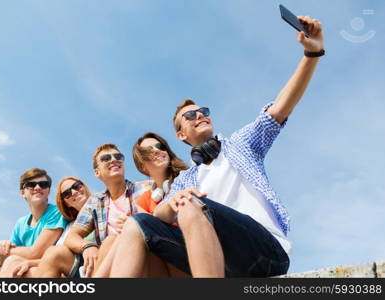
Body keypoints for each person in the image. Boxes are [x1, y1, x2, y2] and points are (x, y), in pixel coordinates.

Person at [108, 16, 324, 277]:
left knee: (190, 203)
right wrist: (173, 200)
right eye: (190, 115)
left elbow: (280, 108)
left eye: (203, 111)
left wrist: (311, 54)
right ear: (181, 135)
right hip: (220, 262)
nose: (199, 115)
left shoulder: (241, 144)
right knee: (137, 224)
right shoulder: (186, 178)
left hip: (265, 253)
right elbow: (161, 214)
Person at [35, 143, 150, 278]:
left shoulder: (146, 188)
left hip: (139, 254)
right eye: (106, 158)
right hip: (103, 259)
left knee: (111, 241)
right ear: (97, 172)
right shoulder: (95, 201)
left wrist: (136, 224)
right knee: (53, 254)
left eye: (118, 156)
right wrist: (87, 246)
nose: (114, 159)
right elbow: (72, 237)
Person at [94, 132, 188, 277]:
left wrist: (132, 225)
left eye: (160, 146)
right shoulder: (145, 199)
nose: (157, 150)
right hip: (161, 263)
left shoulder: (187, 178)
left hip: (187, 258)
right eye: (148, 151)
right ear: (142, 166)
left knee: (133, 227)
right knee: (112, 240)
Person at [0, 168, 67, 278]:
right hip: (26, 265)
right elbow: (1, 261)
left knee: (13, 262)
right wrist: (2, 246)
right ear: (22, 193)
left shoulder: (56, 213)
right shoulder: (21, 223)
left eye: (43, 184)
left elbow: (35, 253)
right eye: (31, 184)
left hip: (51, 269)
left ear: (48, 191)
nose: (38, 187)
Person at [5, 176, 93, 278]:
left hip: (95, 265)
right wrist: (30, 263)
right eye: (67, 194)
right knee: (14, 264)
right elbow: (53, 257)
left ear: (84, 186)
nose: (73, 192)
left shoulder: (105, 208)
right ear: (66, 203)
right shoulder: (70, 227)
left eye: (77, 186)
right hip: (74, 271)